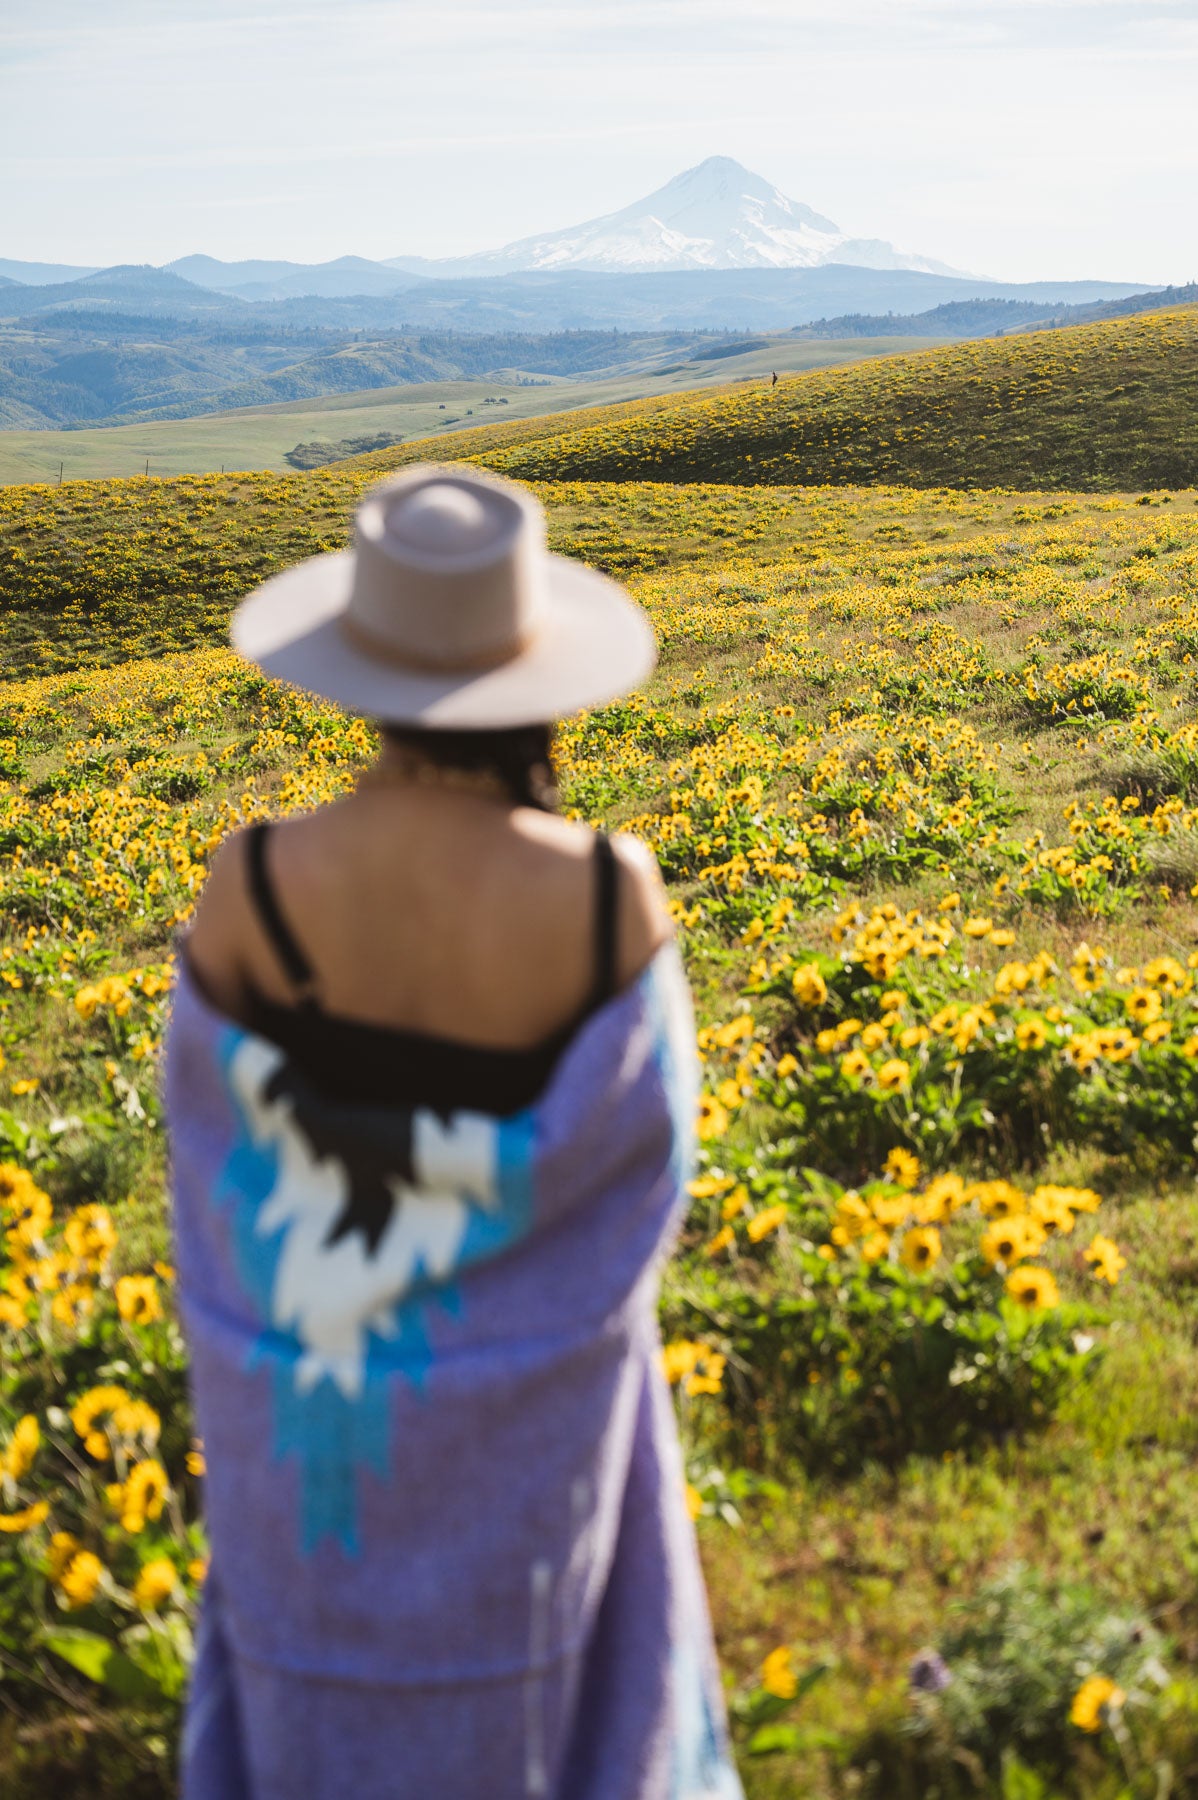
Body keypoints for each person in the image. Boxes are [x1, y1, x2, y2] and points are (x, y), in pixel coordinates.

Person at [166, 464, 744, 1800]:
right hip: (526, 1457)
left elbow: (209, 1159)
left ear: (357, 674)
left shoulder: (256, 882)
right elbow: (641, 1162)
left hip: (310, 1444)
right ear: (538, 675)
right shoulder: (606, 897)